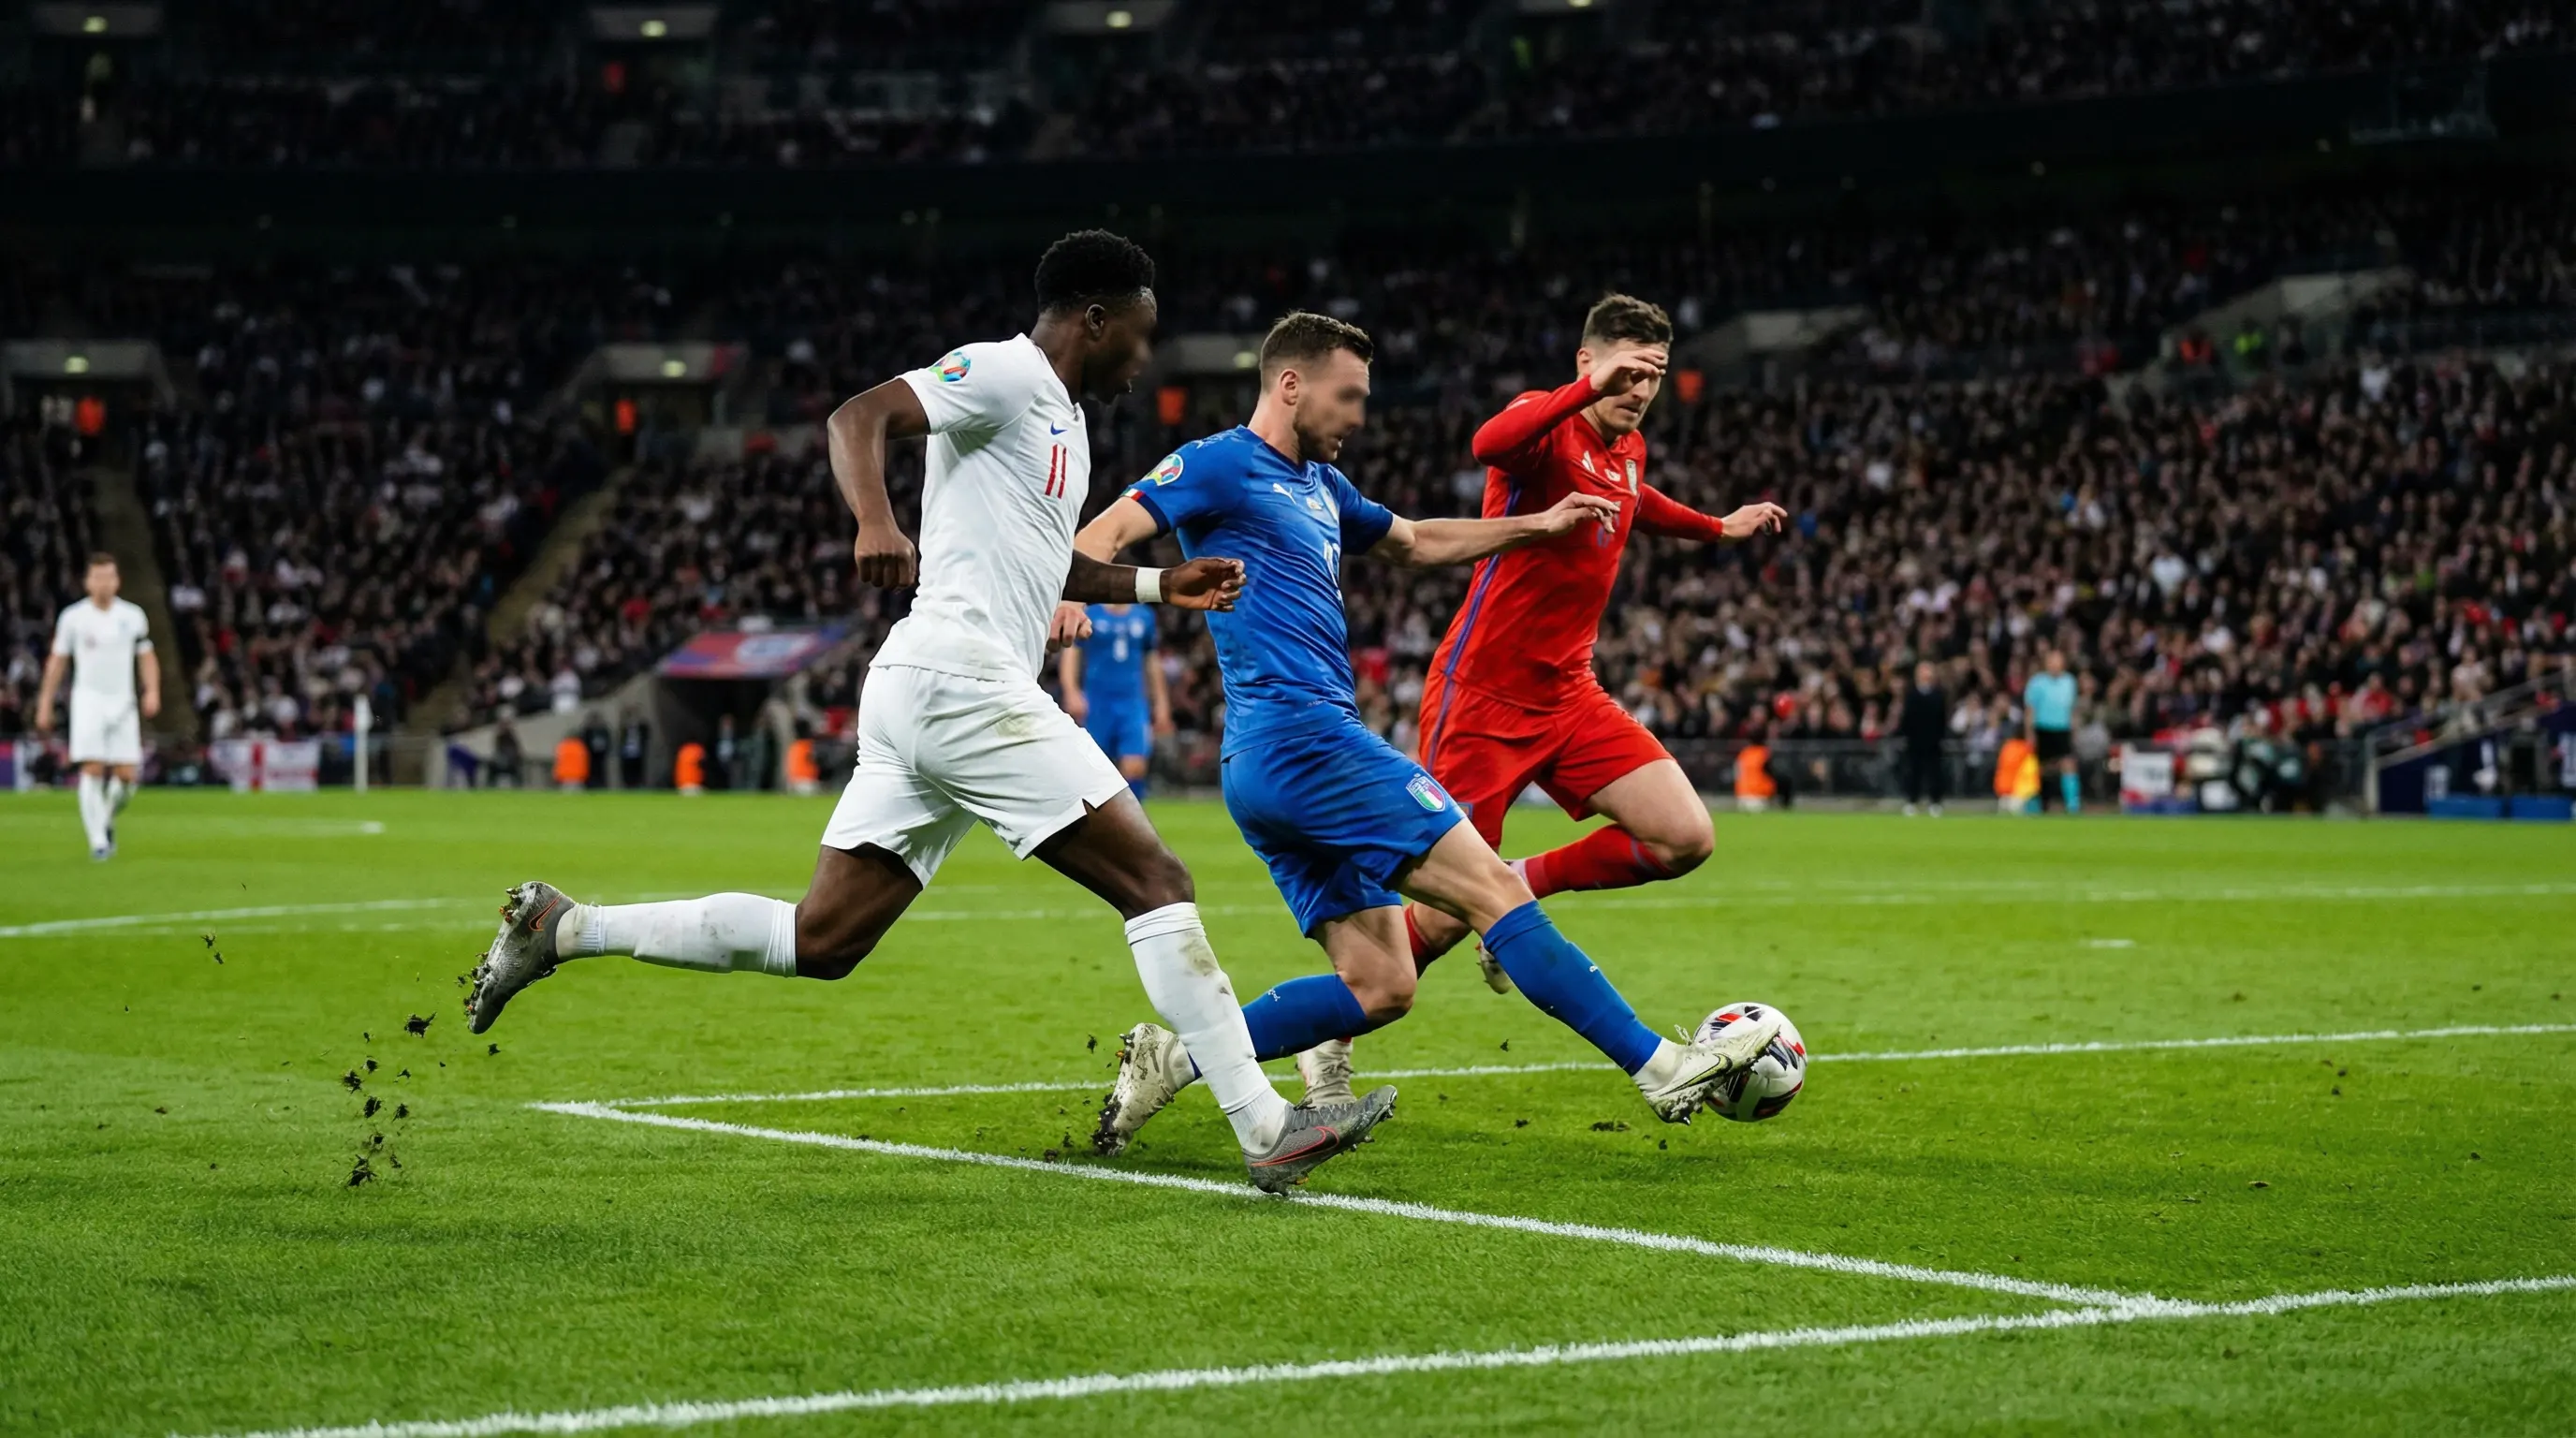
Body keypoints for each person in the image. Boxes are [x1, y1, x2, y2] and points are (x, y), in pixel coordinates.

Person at [465, 231, 1391, 1193]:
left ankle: (565, 929)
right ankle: (1264, 1125)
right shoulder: (1002, 373)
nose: (1145, 359)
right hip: (962, 683)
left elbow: (1051, 566)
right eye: (1141, 336)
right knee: (1156, 881)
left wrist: (1161, 587)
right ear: (1096, 319)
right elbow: (856, 416)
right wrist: (874, 516)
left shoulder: (1063, 429)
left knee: (819, 941)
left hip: (932, 691)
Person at [1073, 311, 1781, 1157]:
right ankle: (1661, 1068)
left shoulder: (1324, 488)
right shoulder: (1222, 462)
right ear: (1290, 386)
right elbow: (1099, 534)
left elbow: (1415, 542)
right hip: (1310, 744)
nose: (1361, 417)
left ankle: (1174, 1062)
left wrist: (1534, 525)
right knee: (1495, 894)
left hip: (1272, 764)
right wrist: (1101, 591)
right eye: (1349, 397)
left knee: (1382, 984)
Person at [1400, 293, 1785, 1001]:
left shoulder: (1627, 448)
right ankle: (1336, 1024)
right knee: (1451, 905)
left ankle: (1519, 882)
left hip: (1570, 695)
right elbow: (1488, 443)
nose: (1638, 392)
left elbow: (1641, 499)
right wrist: (1585, 391)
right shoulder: (1543, 424)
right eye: (1626, 374)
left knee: (1684, 836)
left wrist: (1716, 528)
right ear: (1587, 362)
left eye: (1654, 376)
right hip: (1485, 693)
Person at [34, 553, 157, 858]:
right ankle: (98, 842)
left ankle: (104, 820)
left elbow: (146, 655)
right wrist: (45, 702)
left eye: (109, 577)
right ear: (88, 581)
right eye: (98, 577)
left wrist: (152, 690)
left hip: (124, 701)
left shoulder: (133, 616)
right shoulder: (73, 618)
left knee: (127, 777)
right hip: (88, 700)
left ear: (117, 581)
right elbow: (57, 662)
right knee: (92, 767)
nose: (104, 583)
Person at [1058, 602, 1166, 800]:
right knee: (1095, 769)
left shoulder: (1144, 616)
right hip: (1097, 702)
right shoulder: (1090, 614)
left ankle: (1131, 824)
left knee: (1135, 766)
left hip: (1132, 701)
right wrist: (1071, 691)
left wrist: (1161, 704)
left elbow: (1151, 661)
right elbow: (1072, 652)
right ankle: (1097, 824)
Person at [2025, 648, 2081, 814]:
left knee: (2068, 764)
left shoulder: (2069, 682)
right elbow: (2030, 710)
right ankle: (2043, 802)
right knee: (2044, 768)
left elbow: (2073, 709)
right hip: (2043, 728)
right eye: (2052, 660)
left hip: (2062, 729)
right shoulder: (2037, 682)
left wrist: (2074, 730)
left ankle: (2073, 804)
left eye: (2058, 660)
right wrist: (2030, 733)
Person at [1897, 660, 1948, 815]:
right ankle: (1912, 801)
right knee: (1913, 772)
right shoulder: (1911, 695)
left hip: (1933, 741)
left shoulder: (1938, 695)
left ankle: (1935, 802)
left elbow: (1942, 719)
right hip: (1915, 741)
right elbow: (1906, 719)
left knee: (1935, 773)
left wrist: (1939, 737)